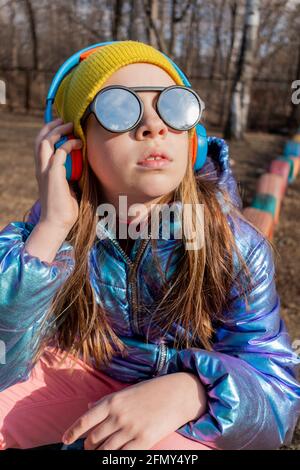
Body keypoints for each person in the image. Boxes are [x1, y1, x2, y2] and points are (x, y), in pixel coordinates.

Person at [0, 40, 299, 451]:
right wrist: (51, 228)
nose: (154, 126)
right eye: (120, 109)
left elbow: (278, 393)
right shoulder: (54, 227)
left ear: (192, 141)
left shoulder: (233, 245)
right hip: (84, 376)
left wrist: (190, 392)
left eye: (174, 107)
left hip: (190, 407)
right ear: (76, 149)